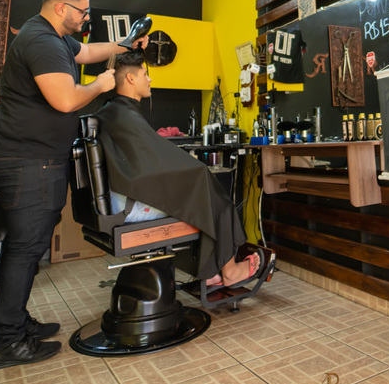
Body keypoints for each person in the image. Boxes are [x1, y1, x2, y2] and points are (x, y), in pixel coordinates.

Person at [0, 0, 139, 370]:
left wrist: (125, 45)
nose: (86, 18)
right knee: (25, 249)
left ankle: (17, 322)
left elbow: (88, 51)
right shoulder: (43, 42)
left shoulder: (55, 37)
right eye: (82, 12)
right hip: (26, 160)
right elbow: (66, 100)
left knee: (28, 246)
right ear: (60, 8)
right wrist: (101, 84)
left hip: (34, 158)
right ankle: (6, 341)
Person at [96, 51, 270, 289]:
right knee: (212, 199)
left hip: (118, 199)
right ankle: (230, 271)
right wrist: (197, 171)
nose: (149, 79)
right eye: (145, 74)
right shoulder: (124, 114)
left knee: (201, 194)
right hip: (129, 207)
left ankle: (211, 272)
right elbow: (151, 161)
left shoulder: (113, 110)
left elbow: (145, 160)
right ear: (131, 79)